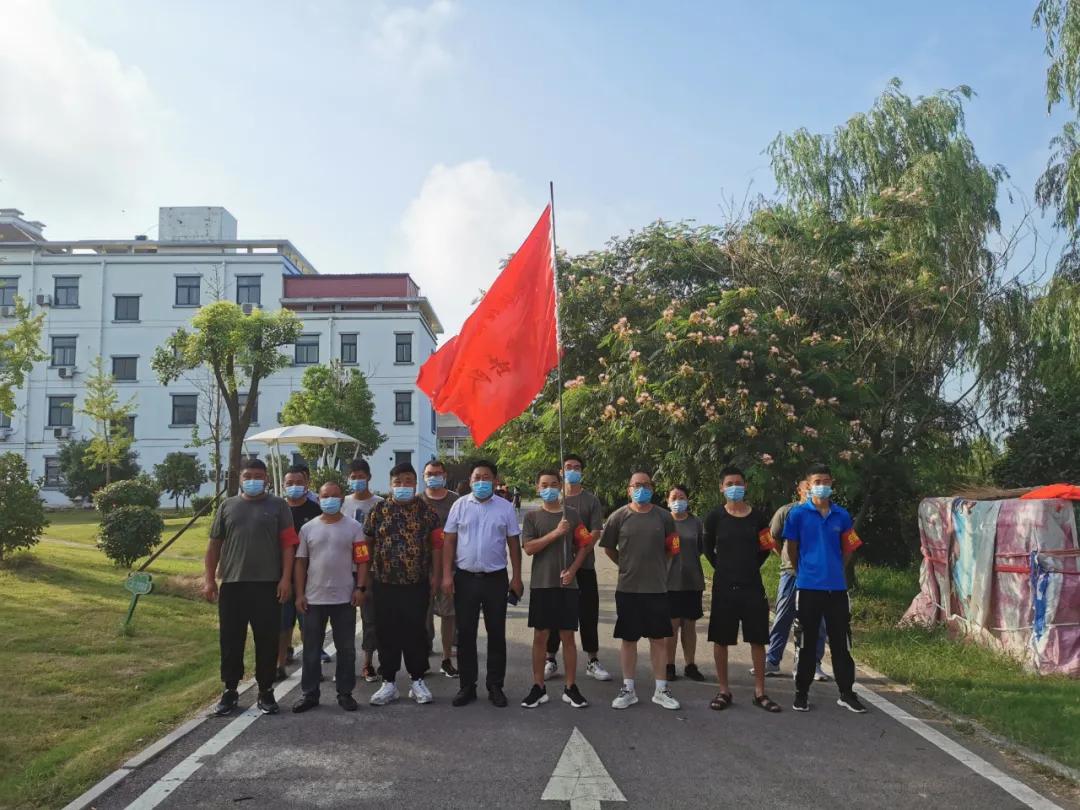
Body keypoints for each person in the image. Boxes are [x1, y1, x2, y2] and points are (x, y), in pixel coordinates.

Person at [203, 458, 298, 716]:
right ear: (241, 478)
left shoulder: (279, 506)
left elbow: (289, 545)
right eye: (249, 476)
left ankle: (266, 691)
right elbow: (214, 546)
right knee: (231, 640)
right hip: (233, 585)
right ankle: (230, 691)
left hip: (268, 585)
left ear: (267, 479)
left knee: (267, 640)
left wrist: (286, 578)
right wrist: (210, 579)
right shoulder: (227, 506)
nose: (254, 480)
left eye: (259, 475)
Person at [782, 463, 867, 713]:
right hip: (808, 588)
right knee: (806, 642)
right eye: (817, 481)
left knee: (841, 642)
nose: (822, 485)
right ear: (808, 485)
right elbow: (791, 549)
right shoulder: (797, 515)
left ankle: (846, 693)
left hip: (837, 590)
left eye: (827, 481)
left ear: (832, 485)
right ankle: (802, 693)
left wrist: (836, 570)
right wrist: (804, 572)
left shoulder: (842, 515)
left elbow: (849, 547)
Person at [442, 459, 524, 708]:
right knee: (465, 634)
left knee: (496, 634)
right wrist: (447, 575)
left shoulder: (505, 508)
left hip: (495, 579)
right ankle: (467, 686)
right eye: (477, 478)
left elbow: (513, 543)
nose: (481, 482)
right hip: (465, 578)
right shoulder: (459, 505)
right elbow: (449, 541)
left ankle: (495, 685)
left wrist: (517, 577)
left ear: (495, 481)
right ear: (470, 481)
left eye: (486, 477)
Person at [600, 469, 681, 711]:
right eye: (636, 485)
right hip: (628, 587)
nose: (641, 489)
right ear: (629, 489)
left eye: (646, 485)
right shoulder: (618, 517)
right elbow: (609, 549)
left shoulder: (664, 517)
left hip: (657, 588)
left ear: (653, 489)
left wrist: (658, 567)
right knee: (629, 639)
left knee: (658, 639)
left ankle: (661, 689)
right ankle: (628, 689)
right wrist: (625, 566)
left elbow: (672, 548)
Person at [703, 466, 781, 713]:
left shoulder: (758, 517)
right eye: (729, 483)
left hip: (752, 586)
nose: (734, 487)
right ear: (721, 487)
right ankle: (723, 689)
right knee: (721, 639)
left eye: (738, 482)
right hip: (724, 586)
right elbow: (707, 548)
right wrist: (725, 568)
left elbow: (766, 548)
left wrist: (747, 568)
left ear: (745, 486)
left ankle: (760, 692)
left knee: (757, 639)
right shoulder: (715, 517)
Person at [364, 463, 441, 706]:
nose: (403, 486)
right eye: (398, 482)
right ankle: (389, 682)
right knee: (386, 632)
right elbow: (366, 545)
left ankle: (417, 680)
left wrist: (437, 576)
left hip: (416, 583)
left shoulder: (427, 512)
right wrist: (364, 579)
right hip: (384, 583)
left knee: (415, 632)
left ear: (415, 484)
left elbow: (437, 546)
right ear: (390, 485)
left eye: (408, 481)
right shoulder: (378, 510)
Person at [291, 482, 366, 713]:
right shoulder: (308, 529)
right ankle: (310, 693)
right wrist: (300, 593)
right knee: (311, 649)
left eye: (334, 496)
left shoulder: (354, 527)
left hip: (344, 598)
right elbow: (301, 562)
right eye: (325, 496)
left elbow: (363, 559)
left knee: (346, 650)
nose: (330, 500)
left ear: (342, 499)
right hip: (313, 599)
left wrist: (360, 588)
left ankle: (345, 693)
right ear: (319, 499)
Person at [520, 469, 591, 709]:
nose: (549, 488)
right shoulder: (532, 517)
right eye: (544, 484)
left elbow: (585, 544)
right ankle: (538, 686)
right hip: (542, 584)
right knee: (540, 636)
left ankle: (571, 687)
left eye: (553, 483)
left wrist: (573, 569)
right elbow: (529, 548)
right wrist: (556, 533)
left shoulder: (572, 515)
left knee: (568, 637)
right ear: (538, 488)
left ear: (560, 486)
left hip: (567, 584)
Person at [545, 453, 612, 683]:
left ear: (582, 471)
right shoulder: (554, 498)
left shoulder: (591, 500)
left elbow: (595, 532)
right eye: (568, 466)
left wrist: (578, 557)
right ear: (561, 471)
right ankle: (550, 658)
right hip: (556, 567)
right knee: (555, 613)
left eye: (577, 467)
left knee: (588, 613)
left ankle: (593, 660)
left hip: (584, 567)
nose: (572, 470)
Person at [759, 479, 829, 681]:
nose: (812, 489)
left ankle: (814, 664)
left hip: (818, 576)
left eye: (815, 485)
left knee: (818, 621)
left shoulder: (828, 512)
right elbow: (770, 537)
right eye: (808, 486)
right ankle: (772, 661)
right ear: (799, 489)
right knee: (783, 616)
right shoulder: (787, 511)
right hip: (791, 573)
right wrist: (786, 556)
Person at [277, 466, 323, 681]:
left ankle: (312, 668)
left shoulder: (316, 511)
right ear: (283, 485)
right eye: (289, 483)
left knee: (309, 627)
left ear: (307, 485)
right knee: (282, 625)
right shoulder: (277, 510)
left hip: (309, 579)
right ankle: (279, 665)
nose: (294, 487)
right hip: (281, 578)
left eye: (299, 482)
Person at [342, 458, 384, 683]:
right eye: (353, 476)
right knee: (344, 619)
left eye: (361, 476)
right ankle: (345, 662)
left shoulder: (379, 504)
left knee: (370, 618)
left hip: (370, 569)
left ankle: (368, 663)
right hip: (343, 568)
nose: (357, 480)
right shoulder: (342, 502)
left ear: (369, 476)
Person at [420, 459, 460, 678]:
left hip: (450, 567)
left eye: (437, 473)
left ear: (444, 475)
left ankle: (446, 658)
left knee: (448, 615)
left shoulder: (456, 501)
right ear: (423, 476)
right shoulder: (417, 501)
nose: (433, 476)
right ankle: (423, 657)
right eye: (429, 473)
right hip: (421, 568)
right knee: (422, 616)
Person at [664, 484, 706, 683]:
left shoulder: (696, 522)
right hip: (669, 581)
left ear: (688, 500)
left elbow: (700, 548)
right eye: (674, 497)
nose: (678, 501)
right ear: (668, 501)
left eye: (682, 497)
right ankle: (669, 665)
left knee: (689, 625)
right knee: (671, 626)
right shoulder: (663, 521)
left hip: (692, 581)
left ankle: (690, 665)